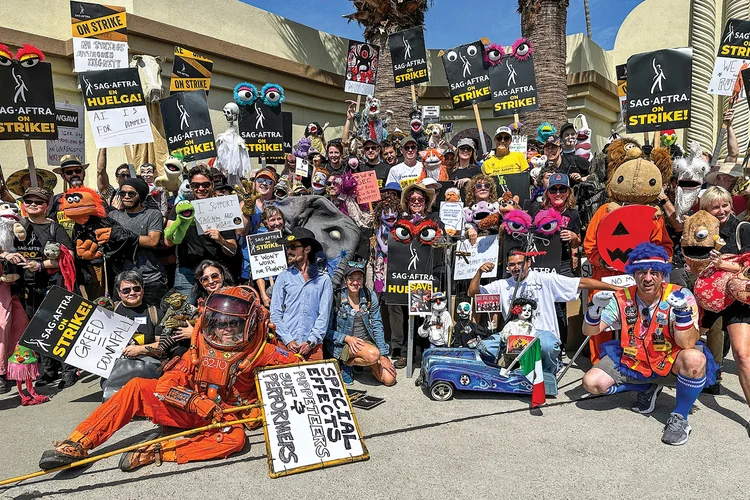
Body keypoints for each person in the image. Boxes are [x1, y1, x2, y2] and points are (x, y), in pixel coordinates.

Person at [38, 286, 299, 472]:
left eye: (234, 325)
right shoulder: (199, 345)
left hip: (227, 418)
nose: (226, 330)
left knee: (235, 439)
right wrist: (195, 401)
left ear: (250, 326)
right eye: (220, 324)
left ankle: (158, 452)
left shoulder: (263, 351)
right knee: (138, 387)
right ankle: (78, 442)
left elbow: (304, 372)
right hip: (192, 409)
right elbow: (166, 385)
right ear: (211, 322)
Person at [581, 243, 714, 446]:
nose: (648, 277)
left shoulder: (681, 295)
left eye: (655, 272)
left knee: (694, 358)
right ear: (634, 274)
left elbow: (687, 343)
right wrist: (594, 309)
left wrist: (682, 314)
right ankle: (646, 386)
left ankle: (680, 416)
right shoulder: (621, 297)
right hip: (633, 360)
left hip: (670, 360)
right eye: (642, 271)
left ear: (663, 274)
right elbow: (590, 331)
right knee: (591, 383)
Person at [468, 250, 622, 373]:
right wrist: (479, 272)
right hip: (515, 334)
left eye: (520, 263)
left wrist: (617, 289)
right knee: (484, 347)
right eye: (512, 265)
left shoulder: (545, 279)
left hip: (542, 333)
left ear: (529, 262)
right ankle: (513, 366)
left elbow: (581, 282)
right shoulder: (502, 285)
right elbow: (473, 293)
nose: (516, 268)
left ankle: (551, 369)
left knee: (547, 347)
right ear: (507, 266)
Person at [9, 187, 75, 389]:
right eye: (28, 201)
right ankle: (48, 370)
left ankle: (68, 370)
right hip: (25, 285)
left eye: (38, 202)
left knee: (58, 327)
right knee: (37, 328)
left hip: (52, 284)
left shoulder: (56, 229)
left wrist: (41, 265)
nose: (32, 205)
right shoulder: (16, 226)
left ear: (47, 206)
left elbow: (69, 256)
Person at [699, 186, 750, 424]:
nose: (721, 211)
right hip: (723, 302)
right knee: (741, 355)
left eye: (725, 205)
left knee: (741, 354)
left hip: (745, 298)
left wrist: (726, 265)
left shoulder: (743, 229)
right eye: (715, 206)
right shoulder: (703, 232)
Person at [165, 165, 238, 294]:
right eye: (195, 185)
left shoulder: (222, 208)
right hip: (187, 270)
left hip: (216, 271)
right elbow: (167, 241)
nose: (200, 189)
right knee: (185, 311)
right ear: (190, 187)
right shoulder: (181, 208)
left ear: (212, 185)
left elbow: (232, 250)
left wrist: (220, 239)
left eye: (205, 185)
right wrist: (180, 226)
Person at [531, 173, 582, 349]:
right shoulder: (537, 210)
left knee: (561, 305)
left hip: (563, 262)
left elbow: (578, 241)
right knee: (543, 303)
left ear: (568, 192)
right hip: (542, 262)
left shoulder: (573, 214)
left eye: (562, 189)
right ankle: (544, 342)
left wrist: (574, 237)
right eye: (554, 189)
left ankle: (560, 344)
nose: (558, 193)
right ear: (547, 192)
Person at [326, 262, 397, 386]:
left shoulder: (369, 295)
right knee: (374, 354)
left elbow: (377, 325)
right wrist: (347, 338)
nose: (355, 282)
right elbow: (326, 331)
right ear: (345, 279)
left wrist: (384, 355)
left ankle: (352, 362)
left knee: (389, 379)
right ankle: (345, 363)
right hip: (342, 344)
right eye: (351, 278)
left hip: (366, 342)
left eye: (359, 278)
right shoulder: (336, 297)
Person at [270, 228, 333, 360]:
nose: (288, 251)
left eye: (293, 247)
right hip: (285, 346)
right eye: (287, 248)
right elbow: (275, 314)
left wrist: (311, 342)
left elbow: (324, 316)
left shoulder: (324, 279)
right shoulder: (283, 277)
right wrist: (288, 340)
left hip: (313, 347)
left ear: (307, 249)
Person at [108, 178, 167, 307]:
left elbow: (153, 241)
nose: (126, 197)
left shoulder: (152, 214)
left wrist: (125, 237)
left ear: (140, 195)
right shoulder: (113, 216)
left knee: (154, 318)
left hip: (149, 279)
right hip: (122, 281)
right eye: (122, 193)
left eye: (131, 194)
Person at [112, 270, 163, 358]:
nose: (132, 293)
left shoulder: (155, 313)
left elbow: (162, 345)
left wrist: (140, 349)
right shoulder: (110, 311)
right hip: (112, 364)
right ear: (118, 292)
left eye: (136, 289)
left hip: (145, 365)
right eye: (126, 290)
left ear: (143, 289)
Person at [48, 154, 89, 233]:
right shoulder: (56, 200)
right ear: (63, 176)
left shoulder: (94, 197)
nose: (74, 174)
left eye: (77, 171)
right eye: (69, 172)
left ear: (84, 173)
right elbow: (51, 222)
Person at [248, 168, 277, 232]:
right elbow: (241, 232)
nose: (264, 183)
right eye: (260, 180)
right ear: (254, 183)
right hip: (253, 240)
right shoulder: (246, 203)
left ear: (274, 186)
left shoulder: (279, 204)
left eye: (269, 181)